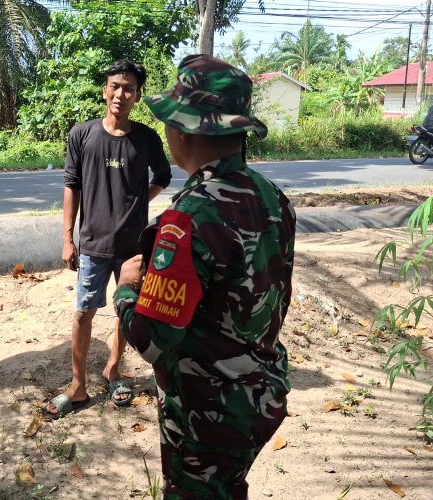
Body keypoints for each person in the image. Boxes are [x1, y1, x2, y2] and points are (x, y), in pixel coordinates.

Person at [113, 54, 296, 499]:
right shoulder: (274, 197)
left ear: (182, 129)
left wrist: (123, 289)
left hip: (206, 414)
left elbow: (153, 339)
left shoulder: (187, 219)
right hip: (260, 394)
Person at [44, 60, 172, 418]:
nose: (120, 94)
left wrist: (139, 201)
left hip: (132, 248)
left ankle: (113, 369)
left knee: (124, 309)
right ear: (105, 92)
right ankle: (78, 385)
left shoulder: (146, 138)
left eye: (128, 89)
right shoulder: (82, 135)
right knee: (83, 312)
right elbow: (72, 186)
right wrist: (68, 238)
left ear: (138, 96)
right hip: (93, 245)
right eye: (114, 86)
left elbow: (164, 175)